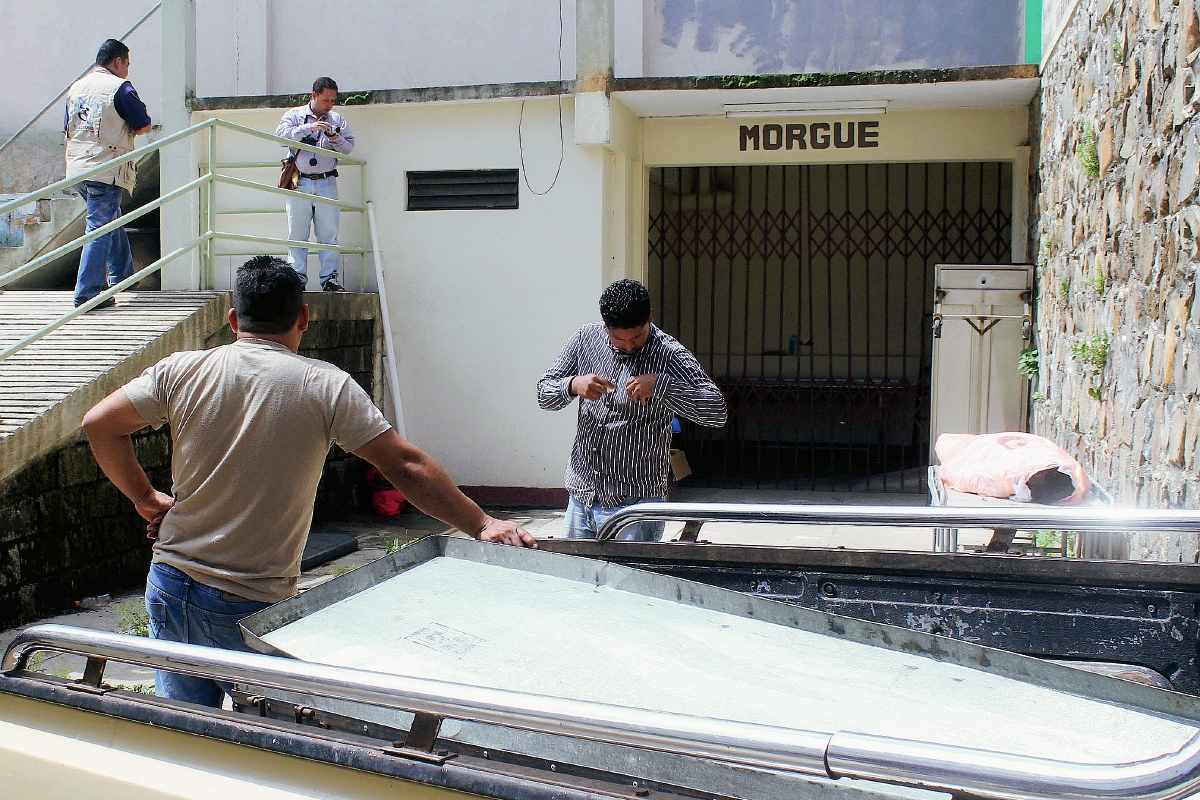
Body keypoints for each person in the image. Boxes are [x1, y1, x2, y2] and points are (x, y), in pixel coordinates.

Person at [83, 255, 536, 707]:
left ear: (233, 319)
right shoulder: (325, 386)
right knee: (281, 733)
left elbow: (99, 423)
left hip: (169, 582)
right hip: (247, 601)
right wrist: (480, 524)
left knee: (183, 731)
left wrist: (145, 498)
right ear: (303, 317)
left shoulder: (181, 370)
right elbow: (403, 466)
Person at [536, 279, 727, 541]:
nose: (628, 346)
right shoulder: (584, 340)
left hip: (636, 506)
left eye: (637, 337)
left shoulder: (669, 354)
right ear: (605, 325)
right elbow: (543, 394)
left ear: (650, 317)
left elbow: (716, 411)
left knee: (629, 581)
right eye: (618, 339)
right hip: (581, 498)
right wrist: (572, 385)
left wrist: (661, 385)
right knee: (576, 581)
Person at [64, 39, 152, 309]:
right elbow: (144, 124)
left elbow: (68, 126)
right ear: (118, 62)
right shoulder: (120, 88)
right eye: (127, 63)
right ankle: (87, 293)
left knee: (110, 218)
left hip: (77, 167)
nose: (128, 69)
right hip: (106, 166)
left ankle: (122, 275)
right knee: (99, 227)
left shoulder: (76, 87)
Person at [276, 77, 355, 292]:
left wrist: (333, 136)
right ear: (314, 95)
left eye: (332, 101)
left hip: (326, 180)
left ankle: (330, 279)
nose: (329, 105)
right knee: (297, 233)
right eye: (325, 100)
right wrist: (308, 128)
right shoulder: (295, 115)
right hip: (299, 181)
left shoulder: (337, 118)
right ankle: (297, 279)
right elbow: (281, 136)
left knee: (329, 233)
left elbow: (348, 147)